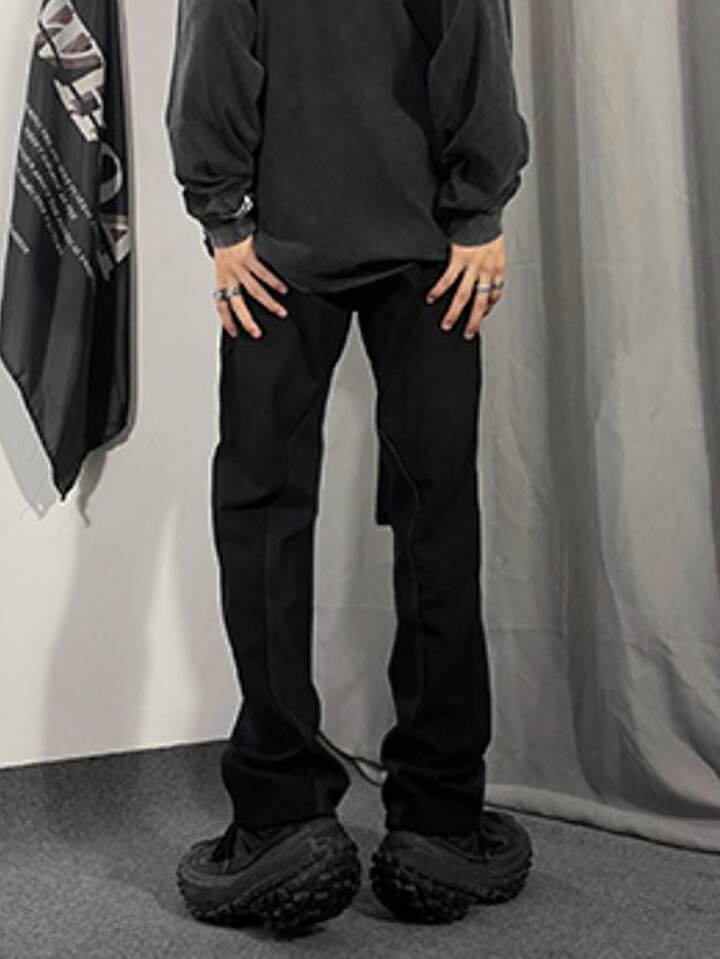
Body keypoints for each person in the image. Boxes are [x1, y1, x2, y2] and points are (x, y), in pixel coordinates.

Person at [165, 0, 532, 935]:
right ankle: (438, 818)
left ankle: (281, 813)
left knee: (261, 510)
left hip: (281, 238)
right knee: (436, 513)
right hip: (429, 237)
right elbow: (473, 28)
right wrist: (478, 203)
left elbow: (216, 33)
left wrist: (223, 215)